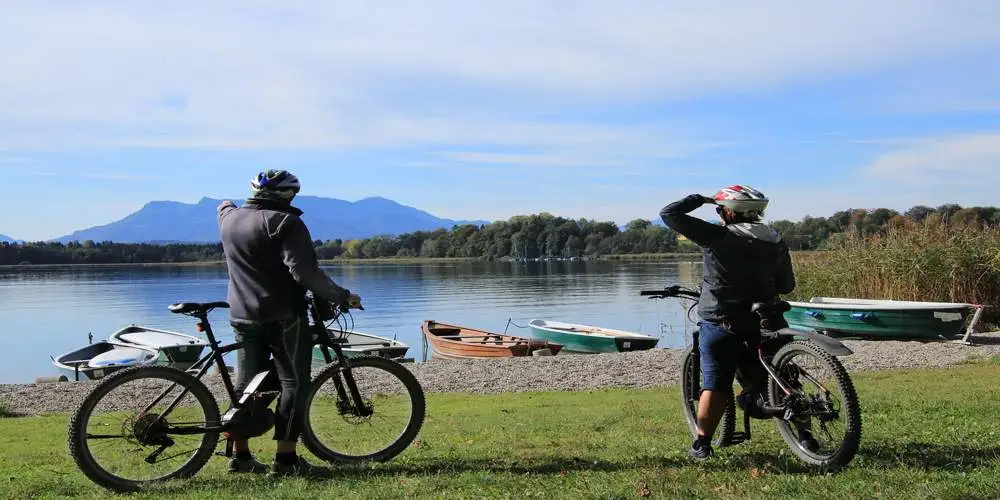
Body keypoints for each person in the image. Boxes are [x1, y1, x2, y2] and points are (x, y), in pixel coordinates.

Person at [218, 169, 361, 476]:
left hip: (241, 314)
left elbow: (223, 206)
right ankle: (286, 461)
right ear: (288, 195)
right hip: (282, 316)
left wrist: (227, 204)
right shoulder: (287, 223)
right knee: (294, 385)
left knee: (246, 385)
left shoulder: (229, 219)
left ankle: (241, 456)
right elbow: (305, 274)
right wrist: (342, 295)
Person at [659, 185, 795, 459]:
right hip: (767, 319)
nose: (718, 213)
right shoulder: (775, 239)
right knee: (783, 379)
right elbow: (787, 284)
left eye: (721, 209)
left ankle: (702, 445)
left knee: (716, 383)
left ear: (730, 213)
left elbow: (669, 214)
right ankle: (805, 434)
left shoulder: (717, 236)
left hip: (724, 320)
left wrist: (702, 199)